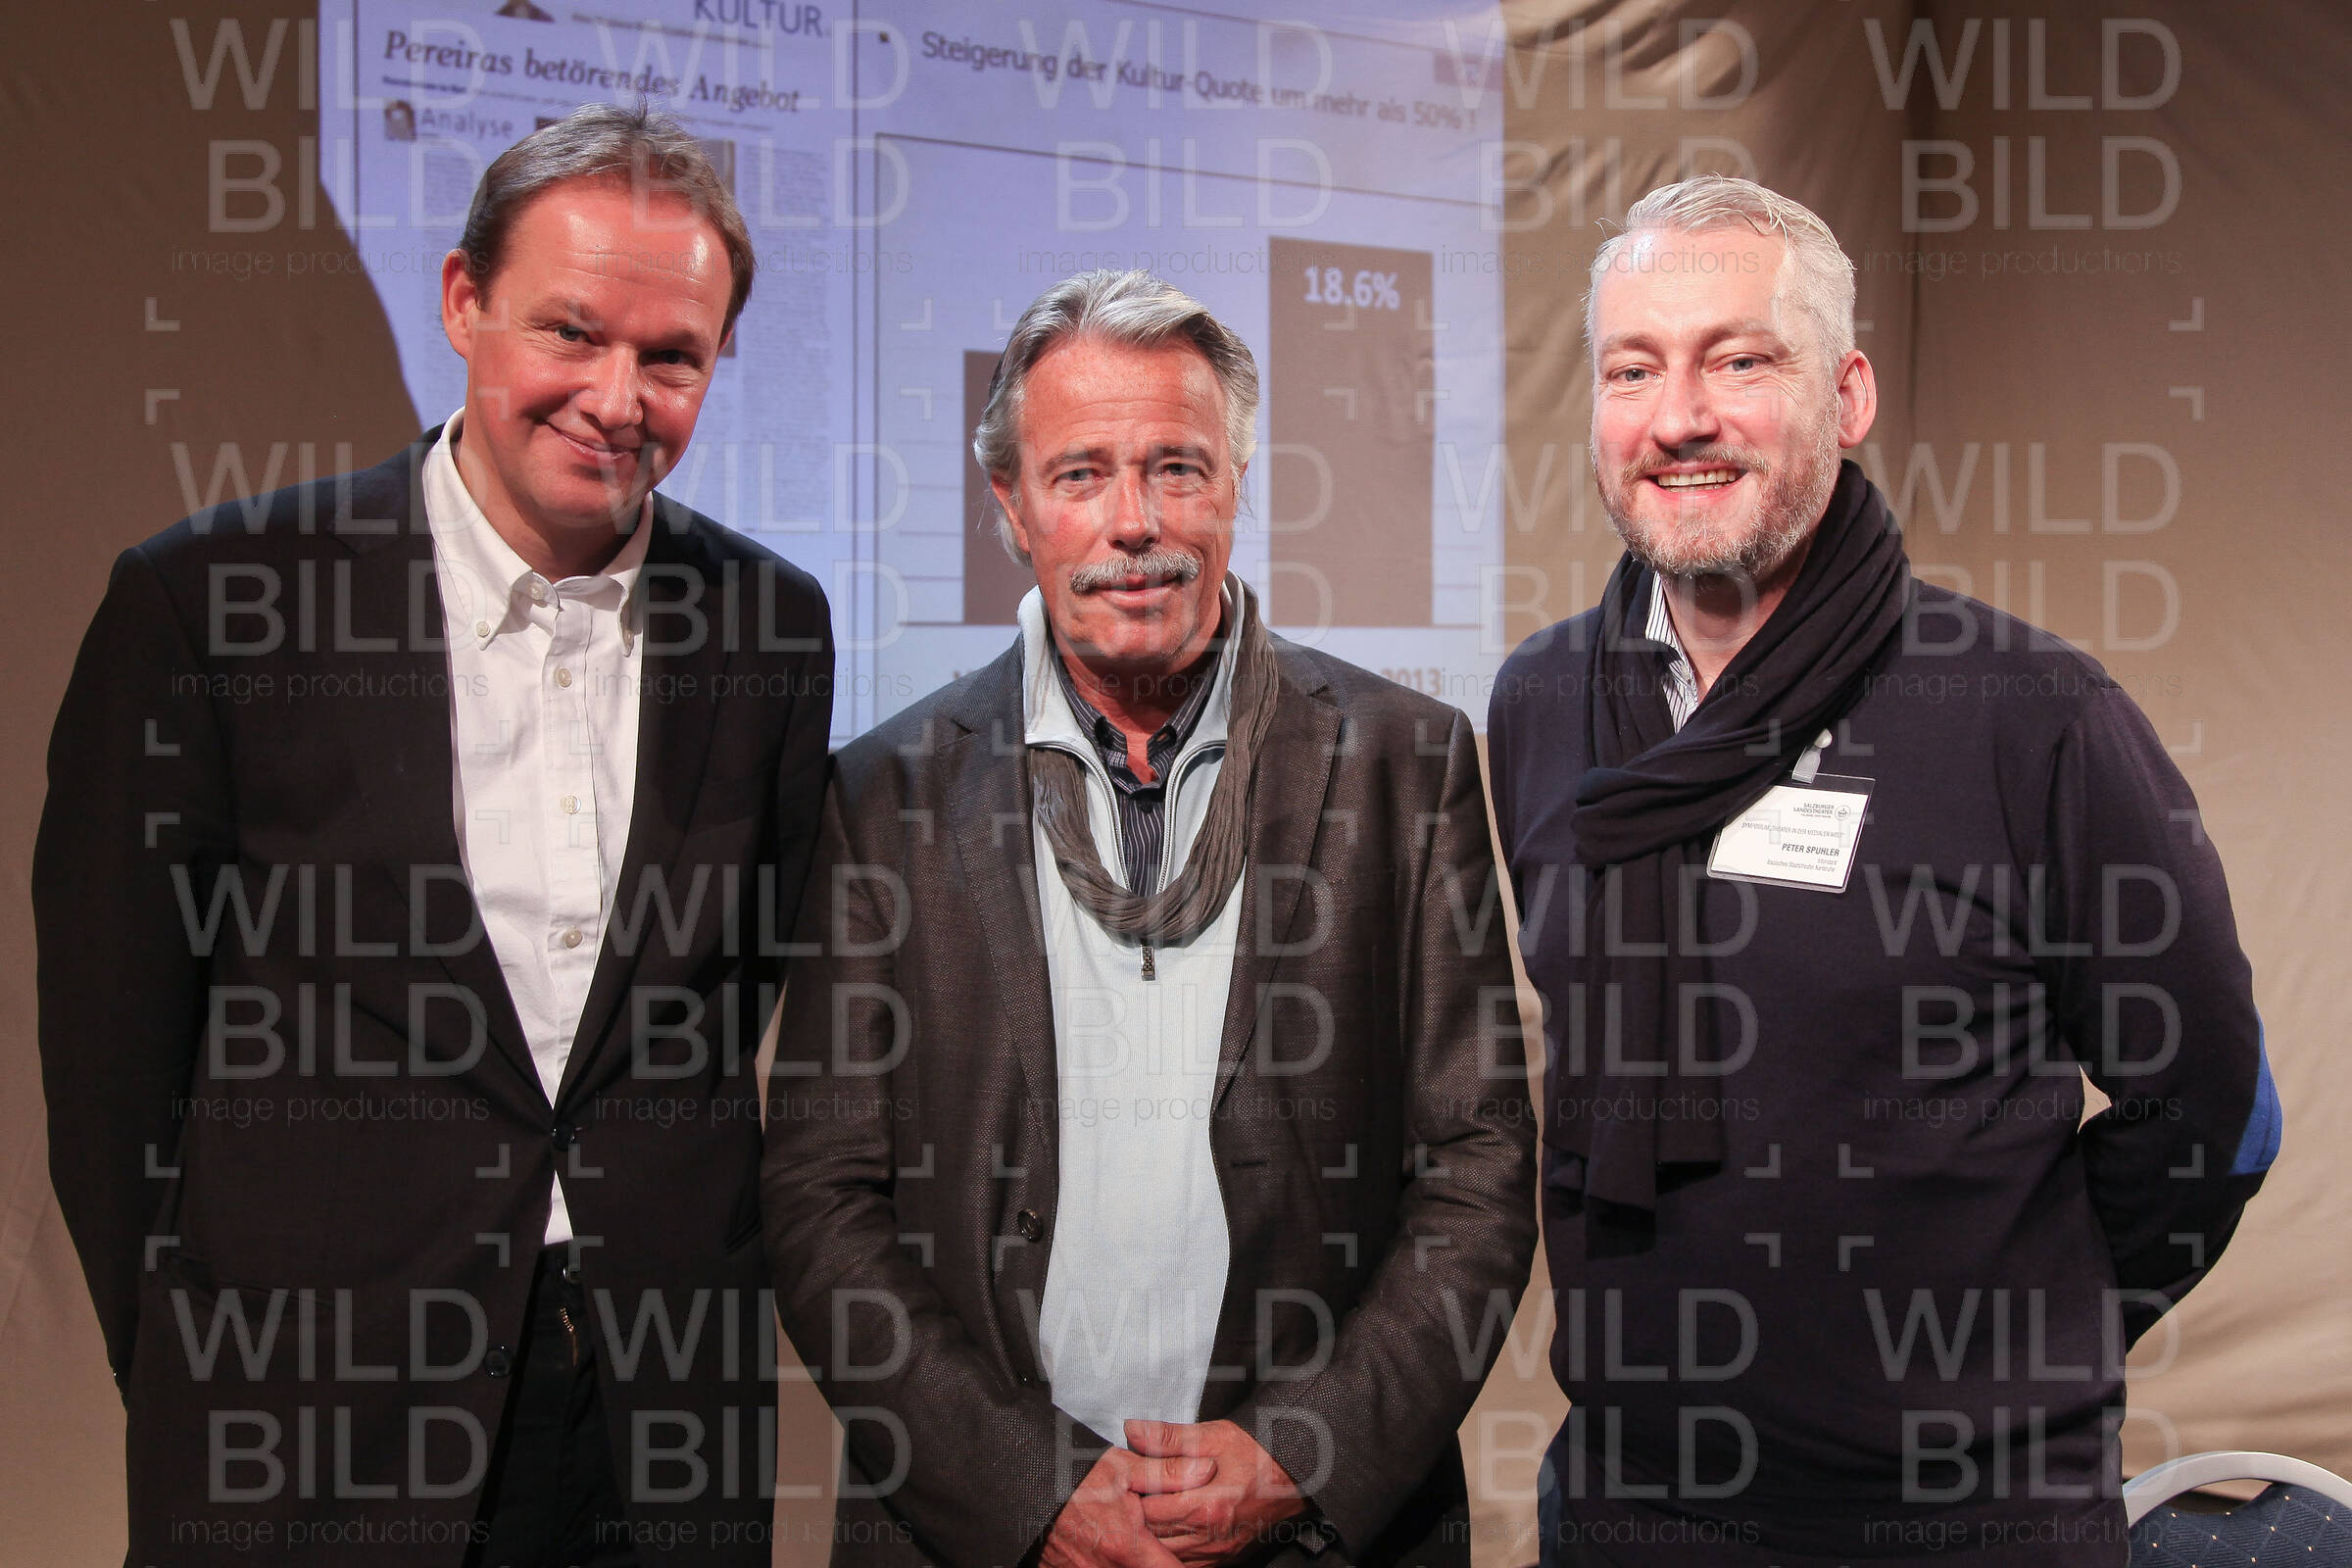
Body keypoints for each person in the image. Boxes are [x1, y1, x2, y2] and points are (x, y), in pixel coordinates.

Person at [35, 103, 833, 1566]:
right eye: (571, 331)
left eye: (672, 356)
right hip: (309, 1435)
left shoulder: (772, 624)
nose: (617, 397)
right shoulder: (214, 604)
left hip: (657, 1427)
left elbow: (738, 1000)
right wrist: (191, 1380)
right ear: (464, 302)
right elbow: (112, 1067)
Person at [1487, 174, 2278, 1565]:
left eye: (1740, 361)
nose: (1679, 417)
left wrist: (2018, 1337)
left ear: (1847, 396)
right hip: (1635, 1504)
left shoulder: (2029, 715)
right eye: (1633, 369)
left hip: (1968, 1515)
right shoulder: (1543, 702)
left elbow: (2214, 1110)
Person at [760, 270, 1537, 1567]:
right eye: (1080, 475)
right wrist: (1030, 1491)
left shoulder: (1407, 765)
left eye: (1177, 468)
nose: (1135, 523)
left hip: (1311, 1533)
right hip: (981, 1537)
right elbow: (820, 1199)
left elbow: (1480, 1169)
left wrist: (1302, 1452)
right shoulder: (884, 796)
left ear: (1236, 483)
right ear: (1010, 505)